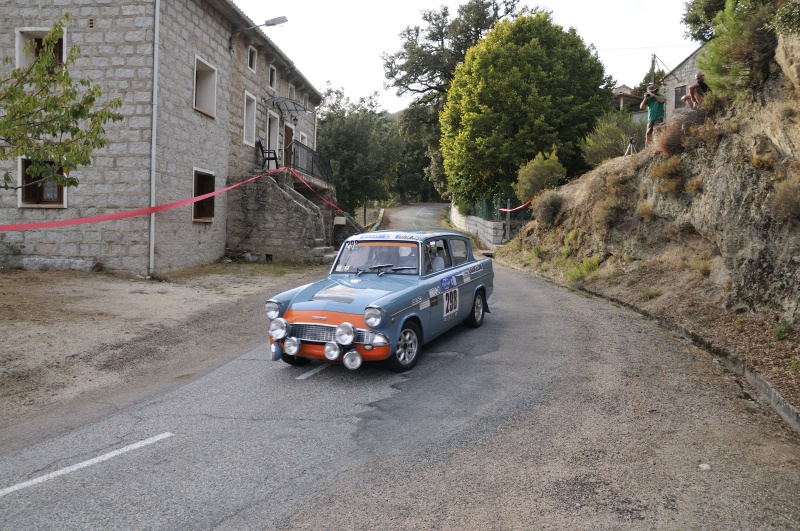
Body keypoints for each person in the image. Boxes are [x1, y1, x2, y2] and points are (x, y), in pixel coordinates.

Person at [639, 84, 666, 148]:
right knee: (648, 134)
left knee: (657, 133)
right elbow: (641, 107)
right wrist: (645, 98)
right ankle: (647, 149)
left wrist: (654, 95)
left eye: (653, 91)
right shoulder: (648, 99)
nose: (652, 93)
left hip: (659, 118)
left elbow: (663, 100)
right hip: (650, 119)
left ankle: (659, 147)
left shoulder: (660, 95)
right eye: (651, 92)